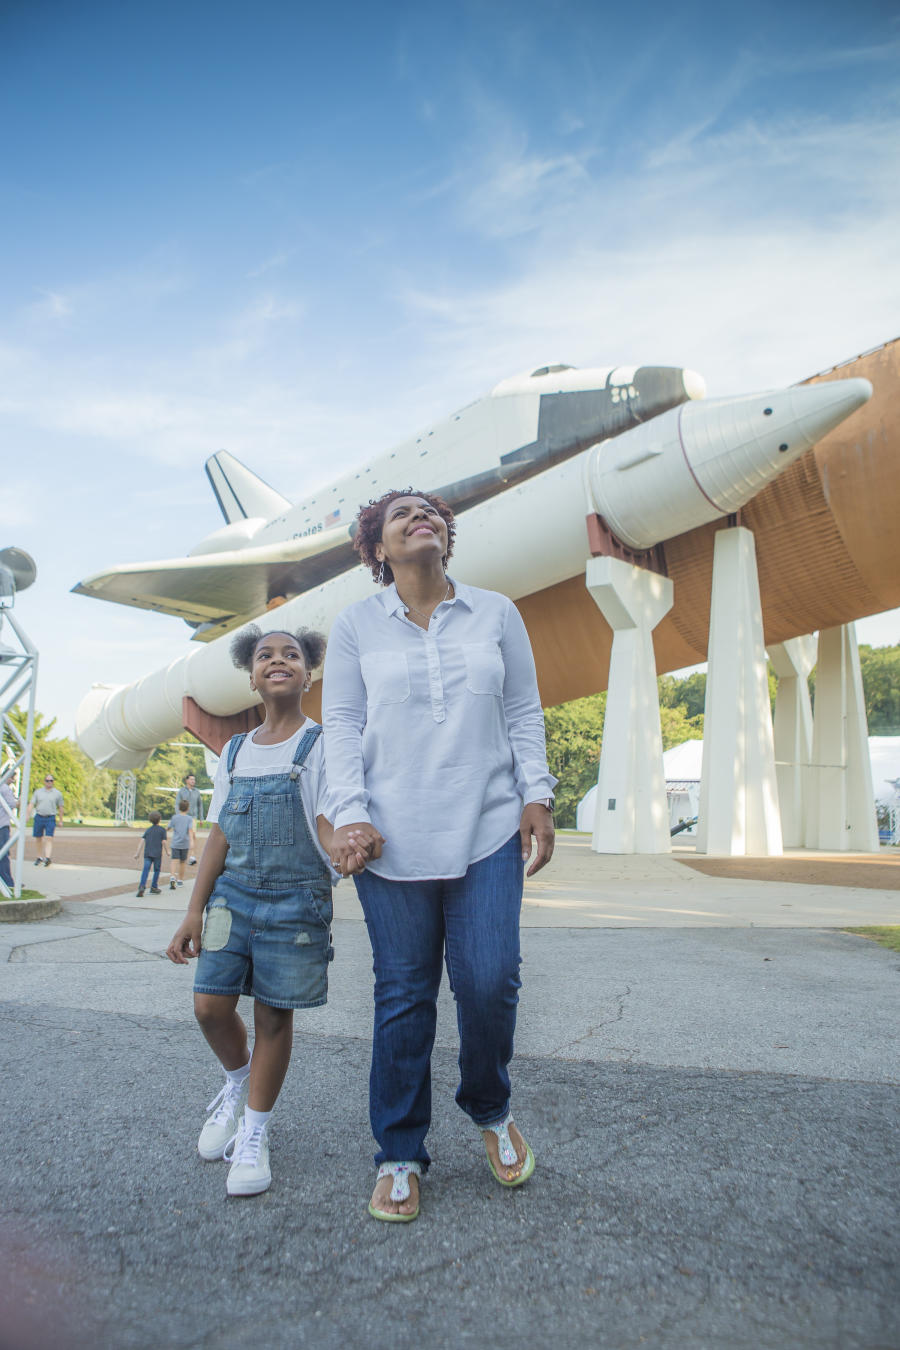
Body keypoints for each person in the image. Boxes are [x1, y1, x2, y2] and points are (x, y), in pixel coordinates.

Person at [323, 489, 556, 1223]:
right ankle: (398, 1151)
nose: (421, 517)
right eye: (402, 515)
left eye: (431, 512)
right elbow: (341, 725)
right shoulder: (357, 625)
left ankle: (489, 1107)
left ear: (446, 536)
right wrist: (351, 816)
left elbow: (522, 711)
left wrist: (536, 795)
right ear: (377, 548)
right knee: (403, 999)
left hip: (486, 827)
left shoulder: (496, 613)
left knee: (490, 982)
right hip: (391, 839)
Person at [165, 626, 381, 1198]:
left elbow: (327, 818)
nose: (279, 661)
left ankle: (255, 1133)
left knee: (274, 1018)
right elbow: (219, 834)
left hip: (296, 899)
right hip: (230, 898)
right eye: (266, 655)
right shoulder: (233, 751)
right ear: (252, 674)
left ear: (308, 673)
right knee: (209, 1007)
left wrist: (344, 847)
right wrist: (193, 909)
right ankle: (237, 1082)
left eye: (292, 655)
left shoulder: (324, 743)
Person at [28, 774, 64, 867]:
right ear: (44, 781)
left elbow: (60, 807)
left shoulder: (57, 793)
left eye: (51, 780)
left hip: (50, 817)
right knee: (38, 837)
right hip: (39, 816)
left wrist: (61, 820)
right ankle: (39, 857)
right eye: (47, 780)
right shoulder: (38, 792)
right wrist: (27, 815)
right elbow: (31, 804)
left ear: (53, 782)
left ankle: (47, 857)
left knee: (49, 837)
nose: (49, 782)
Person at [133, 811, 168, 896]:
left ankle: (142, 886)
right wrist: (167, 851)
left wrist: (137, 853)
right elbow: (164, 842)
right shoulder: (162, 830)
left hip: (147, 853)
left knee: (145, 870)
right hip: (157, 854)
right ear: (160, 819)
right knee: (156, 870)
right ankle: (154, 887)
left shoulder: (148, 830)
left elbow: (142, 841)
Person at [176, 773, 204, 865]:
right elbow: (177, 804)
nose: (193, 781)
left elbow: (200, 805)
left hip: (193, 817)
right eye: (191, 779)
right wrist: (178, 816)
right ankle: (182, 855)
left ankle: (192, 856)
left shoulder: (197, 792)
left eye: (194, 780)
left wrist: (201, 818)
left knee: (192, 836)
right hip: (183, 817)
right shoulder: (181, 791)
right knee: (184, 837)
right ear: (187, 781)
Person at [168, 799, 195, 889]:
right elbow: (190, 831)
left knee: (174, 861)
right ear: (187, 808)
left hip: (175, 843)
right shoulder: (189, 819)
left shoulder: (174, 817)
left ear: (179, 808)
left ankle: (172, 877)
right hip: (185, 843)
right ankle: (180, 880)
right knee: (182, 862)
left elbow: (168, 828)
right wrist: (192, 842)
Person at [0, 779, 17, 889]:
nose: (14, 779)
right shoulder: (5, 788)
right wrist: (19, 802)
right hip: (2, 825)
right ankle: (7, 882)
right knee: (4, 854)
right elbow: (12, 804)